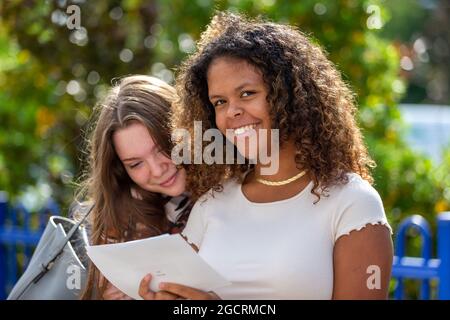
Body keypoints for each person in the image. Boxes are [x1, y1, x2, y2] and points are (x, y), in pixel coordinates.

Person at [139, 12, 393, 300]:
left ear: (291, 97)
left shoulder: (352, 203)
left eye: (247, 93)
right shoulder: (212, 204)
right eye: (219, 102)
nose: (231, 111)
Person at [78, 75, 192, 299]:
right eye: (136, 164)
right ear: (121, 169)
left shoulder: (240, 188)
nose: (157, 170)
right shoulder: (121, 223)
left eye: (164, 148)